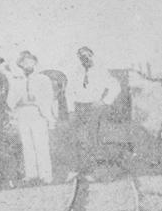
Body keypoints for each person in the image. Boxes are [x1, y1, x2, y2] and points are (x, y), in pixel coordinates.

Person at [65, 46, 121, 181]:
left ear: (92, 55)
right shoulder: (76, 71)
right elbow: (69, 91)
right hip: (78, 107)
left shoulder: (101, 71)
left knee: (91, 138)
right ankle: (75, 170)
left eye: (87, 55)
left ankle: (90, 171)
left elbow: (115, 86)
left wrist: (104, 101)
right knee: (75, 138)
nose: (85, 58)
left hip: (93, 107)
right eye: (81, 56)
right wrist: (71, 110)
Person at [7, 51, 56, 185]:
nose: (27, 64)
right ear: (20, 65)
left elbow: (48, 97)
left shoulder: (43, 79)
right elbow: (10, 99)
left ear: (35, 63)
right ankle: (31, 173)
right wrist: (18, 100)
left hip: (38, 112)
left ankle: (45, 174)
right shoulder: (16, 80)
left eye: (30, 61)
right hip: (23, 112)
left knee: (41, 143)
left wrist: (38, 100)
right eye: (24, 62)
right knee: (26, 143)